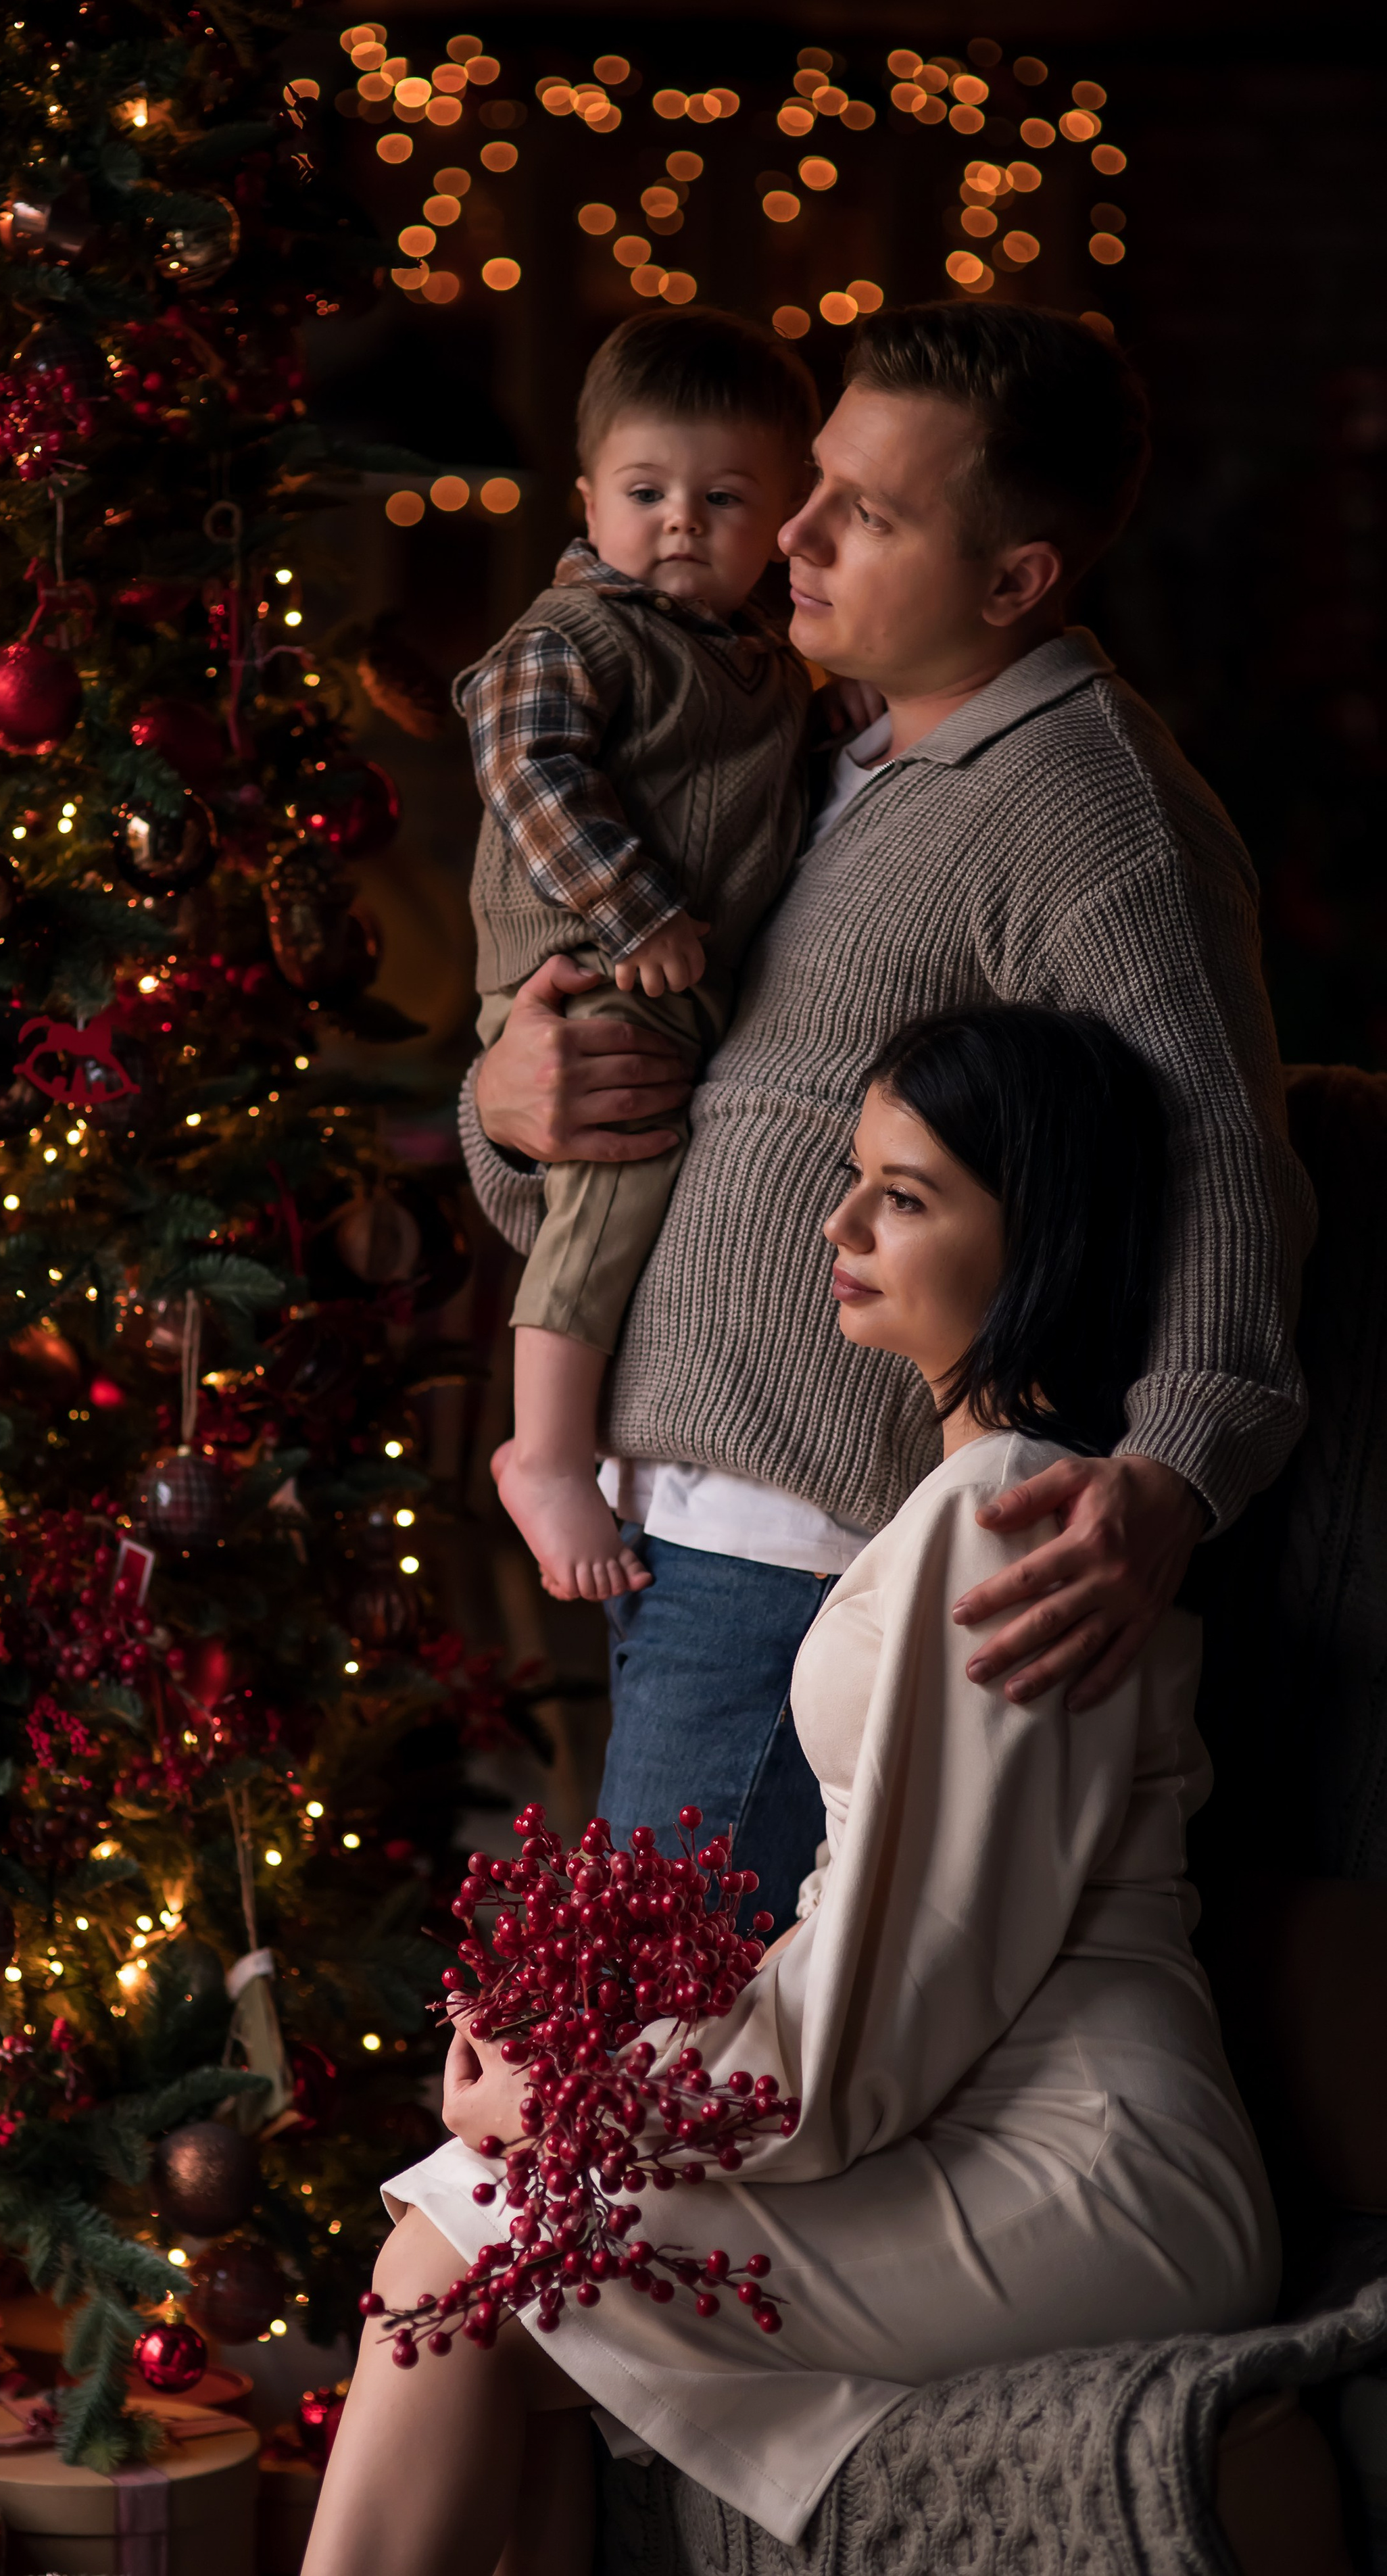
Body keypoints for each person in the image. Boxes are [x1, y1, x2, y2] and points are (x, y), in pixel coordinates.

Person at [303, 1005, 1280, 2576]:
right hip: (998, 2127)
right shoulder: (971, 1500)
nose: (835, 1224)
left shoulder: (1003, 1519)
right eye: (850, 1176)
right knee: (507, 2281)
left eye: (902, 1192)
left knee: (453, 2251)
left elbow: (869, 2032)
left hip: (1092, 2172)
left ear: (1032, 1235)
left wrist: (566, 2105)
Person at [464, 301, 1315, 1934]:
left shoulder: (1088, 815)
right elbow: (671, 1099)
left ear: (1015, 581)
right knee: (665, 2081)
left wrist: (1171, 1468)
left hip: (812, 1561)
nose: (790, 531)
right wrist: (507, 1108)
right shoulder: (806, 747)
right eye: (814, 486)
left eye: (867, 510)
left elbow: (1222, 1161)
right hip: (681, 1522)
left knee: (648, 2073)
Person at [460, 309, 826, 1604]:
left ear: (787, 513)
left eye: (724, 497)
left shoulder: (762, 665)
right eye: (647, 491)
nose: (682, 521)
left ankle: (565, 1440)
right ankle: (545, 1453)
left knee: (624, 1180)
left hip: (666, 976)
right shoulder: (579, 635)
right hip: (591, 962)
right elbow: (524, 759)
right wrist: (638, 911)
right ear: (586, 499)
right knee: (615, 1178)